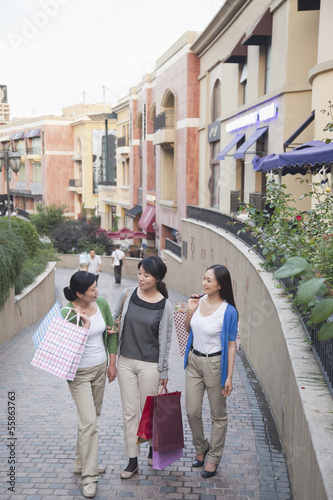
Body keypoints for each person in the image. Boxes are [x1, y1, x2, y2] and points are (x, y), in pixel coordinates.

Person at [112, 256, 174, 479]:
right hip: (126, 362)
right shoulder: (127, 294)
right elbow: (114, 317)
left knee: (149, 413)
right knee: (129, 413)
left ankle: (150, 447)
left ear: (157, 278)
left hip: (150, 365)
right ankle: (132, 461)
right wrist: (111, 328)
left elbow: (166, 342)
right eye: (139, 273)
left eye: (146, 275)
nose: (140, 278)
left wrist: (164, 371)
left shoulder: (165, 305)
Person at [62, 271, 117, 498]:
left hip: (99, 370)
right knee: (90, 424)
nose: (97, 292)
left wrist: (112, 363)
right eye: (92, 289)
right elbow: (68, 351)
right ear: (78, 293)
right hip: (78, 374)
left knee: (90, 420)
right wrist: (84, 326)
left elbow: (111, 333)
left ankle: (80, 462)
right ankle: (89, 476)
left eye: (96, 287)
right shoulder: (67, 312)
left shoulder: (100, 303)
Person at [184, 264, 238, 479]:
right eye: (204, 278)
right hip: (194, 361)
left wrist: (230, 376)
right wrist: (190, 309)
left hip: (215, 365)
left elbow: (232, 345)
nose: (204, 283)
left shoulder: (229, 311)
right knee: (192, 411)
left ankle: (213, 457)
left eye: (208, 280)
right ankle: (201, 446)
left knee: (218, 415)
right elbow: (188, 328)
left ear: (220, 285)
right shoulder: (198, 301)